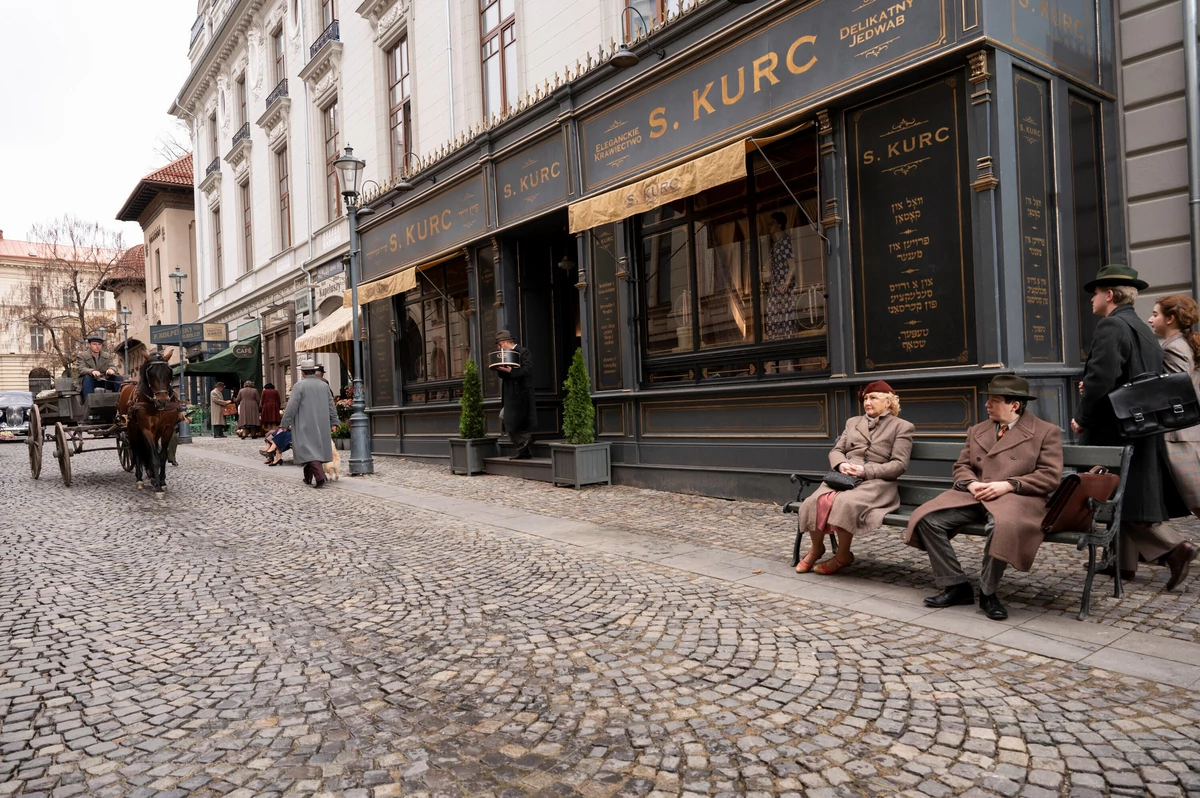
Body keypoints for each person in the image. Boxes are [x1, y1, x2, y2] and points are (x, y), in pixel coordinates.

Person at [1072, 265, 1197, 590]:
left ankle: (1174, 549)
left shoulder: (1111, 326)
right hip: (1140, 428)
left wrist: (1082, 417)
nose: (1092, 300)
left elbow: (1101, 379)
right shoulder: (1141, 328)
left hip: (1115, 430)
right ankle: (1121, 565)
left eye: (1095, 293)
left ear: (1109, 295)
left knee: (1118, 496)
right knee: (1128, 495)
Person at [906, 375, 1063, 621]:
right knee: (927, 518)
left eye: (994, 400)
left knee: (1001, 525)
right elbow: (962, 466)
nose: (987, 405)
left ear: (1015, 405)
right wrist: (972, 483)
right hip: (976, 496)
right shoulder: (977, 430)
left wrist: (1008, 485)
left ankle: (988, 592)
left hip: (1018, 499)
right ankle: (956, 586)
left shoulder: (1045, 432)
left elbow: (1050, 476)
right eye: (988, 399)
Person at [795, 381, 914, 575]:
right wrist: (841, 464)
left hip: (876, 481)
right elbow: (837, 450)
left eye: (873, 397)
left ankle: (843, 555)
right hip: (844, 476)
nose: (867, 402)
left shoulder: (902, 427)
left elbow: (899, 465)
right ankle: (817, 549)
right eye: (866, 398)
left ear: (888, 402)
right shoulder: (852, 422)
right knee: (813, 501)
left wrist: (864, 471)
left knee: (844, 503)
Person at [1150, 294, 1200, 520]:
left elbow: (1176, 392)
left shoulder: (1174, 348)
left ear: (1170, 319)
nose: (1150, 319)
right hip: (1184, 434)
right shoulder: (1183, 343)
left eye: (1155, 314)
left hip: (1180, 437)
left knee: (1197, 501)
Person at [279, 360, 339, 487]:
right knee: (313, 449)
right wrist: (334, 421)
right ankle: (307, 478)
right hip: (321, 423)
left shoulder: (299, 386)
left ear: (303, 372)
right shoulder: (324, 385)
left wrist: (284, 423)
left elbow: (291, 406)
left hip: (304, 423)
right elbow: (331, 405)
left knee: (308, 451)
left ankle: (320, 477)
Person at [494, 329, 537, 460]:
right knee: (508, 420)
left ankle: (527, 440)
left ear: (506, 342)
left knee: (514, 421)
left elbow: (528, 370)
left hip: (521, 393)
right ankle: (524, 450)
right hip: (509, 393)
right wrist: (501, 369)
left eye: (499, 344)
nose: (498, 347)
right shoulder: (504, 354)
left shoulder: (523, 351)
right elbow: (503, 374)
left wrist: (512, 370)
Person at [763, 211, 798, 340]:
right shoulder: (776, 245)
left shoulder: (785, 242)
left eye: (772, 223)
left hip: (783, 290)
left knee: (785, 319)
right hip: (775, 288)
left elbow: (793, 266)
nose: (769, 226)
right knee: (774, 320)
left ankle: (787, 357)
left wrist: (785, 284)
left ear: (780, 224)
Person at [74, 331, 123, 400]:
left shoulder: (107, 356)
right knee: (87, 378)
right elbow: (80, 368)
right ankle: (89, 402)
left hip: (104, 380)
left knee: (118, 377)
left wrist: (111, 370)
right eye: (94, 344)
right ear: (89, 345)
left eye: (99, 344)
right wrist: (92, 371)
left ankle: (120, 400)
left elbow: (112, 366)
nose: (97, 347)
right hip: (90, 381)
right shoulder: (82, 356)